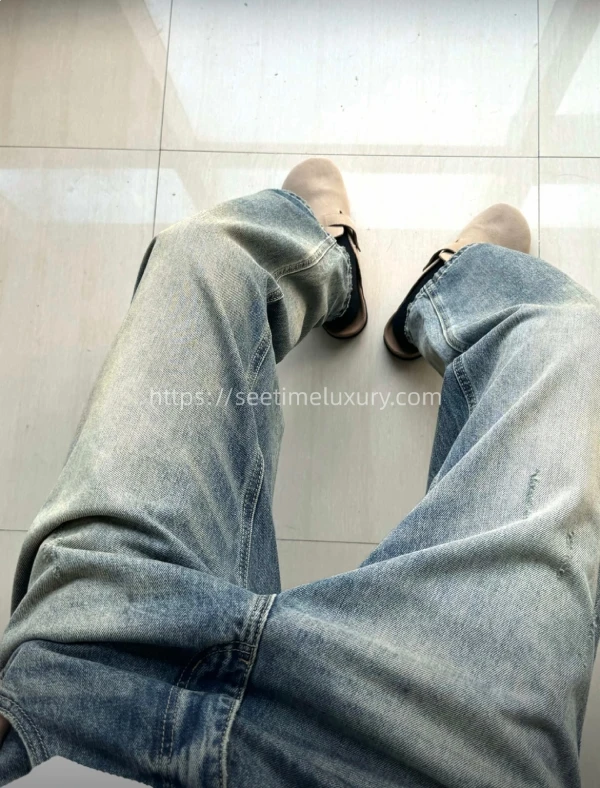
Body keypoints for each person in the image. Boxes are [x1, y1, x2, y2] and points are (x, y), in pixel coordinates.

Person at [0, 158, 598, 788]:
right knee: (568, 332)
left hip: (86, 691)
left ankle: (332, 266)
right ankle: (455, 287)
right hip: (447, 753)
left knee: (202, 253)